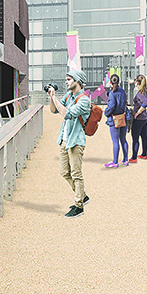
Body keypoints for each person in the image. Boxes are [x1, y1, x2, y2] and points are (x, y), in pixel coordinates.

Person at [52, 81, 91, 217]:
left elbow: (66, 113)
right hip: (64, 139)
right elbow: (54, 110)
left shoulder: (84, 99)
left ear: (78, 81)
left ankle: (79, 206)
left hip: (75, 141)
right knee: (64, 171)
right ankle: (82, 195)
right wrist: (52, 96)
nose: (66, 81)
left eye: (69, 79)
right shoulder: (69, 96)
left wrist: (55, 98)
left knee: (76, 173)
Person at [127, 75, 147, 164]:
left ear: (138, 83)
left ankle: (134, 157)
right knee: (144, 136)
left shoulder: (140, 93)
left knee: (135, 138)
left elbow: (145, 103)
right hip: (145, 118)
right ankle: (144, 154)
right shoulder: (145, 91)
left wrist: (137, 112)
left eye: (135, 82)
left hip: (139, 119)